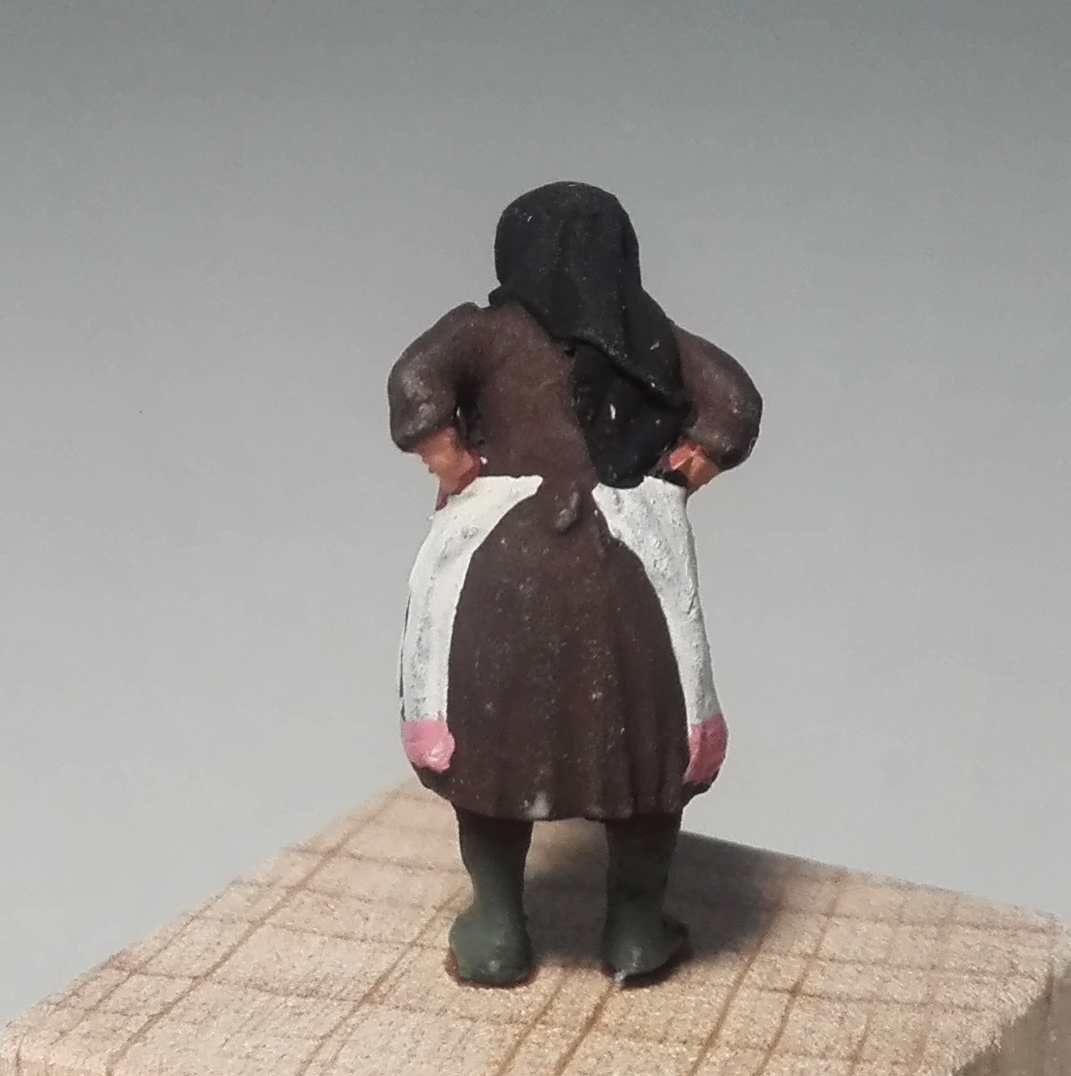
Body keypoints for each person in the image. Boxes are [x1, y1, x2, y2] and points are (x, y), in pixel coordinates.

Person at [387, 181, 761, 986]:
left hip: (501, 569)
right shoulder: (651, 336)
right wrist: (681, 473)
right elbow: (732, 402)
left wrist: (453, 463)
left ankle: (496, 930)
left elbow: (415, 384)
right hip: (625, 572)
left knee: (491, 756)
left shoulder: (480, 333)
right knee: (645, 757)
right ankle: (634, 930)